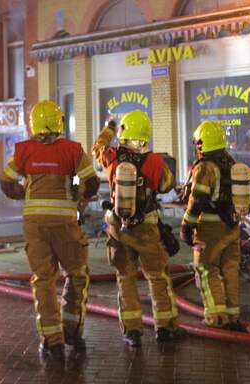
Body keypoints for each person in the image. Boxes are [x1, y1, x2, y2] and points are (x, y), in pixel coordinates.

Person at [0, 100, 98, 359]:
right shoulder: (73, 150)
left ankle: (52, 341)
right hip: (65, 224)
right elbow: (91, 182)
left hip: (35, 225)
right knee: (77, 274)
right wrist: (77, 191)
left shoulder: (23, 150)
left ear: (34, 124)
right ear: (59, 122)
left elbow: (6, 181)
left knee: (43, 279)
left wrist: (23, 193)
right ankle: (72, 330)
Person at [97, 111, 184, 347]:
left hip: (118, 228)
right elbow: (166, 185)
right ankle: (165, 328)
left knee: (125, 277)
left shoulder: (111, 156)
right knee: (157, 277)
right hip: (147, 228)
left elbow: (98, 147)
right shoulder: (154, 161)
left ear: (123, 131)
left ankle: (132, 332)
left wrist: (109, 128)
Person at [180, 120, 244, 331]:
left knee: (207, 269)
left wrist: (187, 225)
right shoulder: (231, 164)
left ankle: (216, 318)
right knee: (230, 270)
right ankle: (232, 316)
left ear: (201, 143)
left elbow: (198, 199)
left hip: (210, 228)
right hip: (232, 226)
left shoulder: (206, 167)